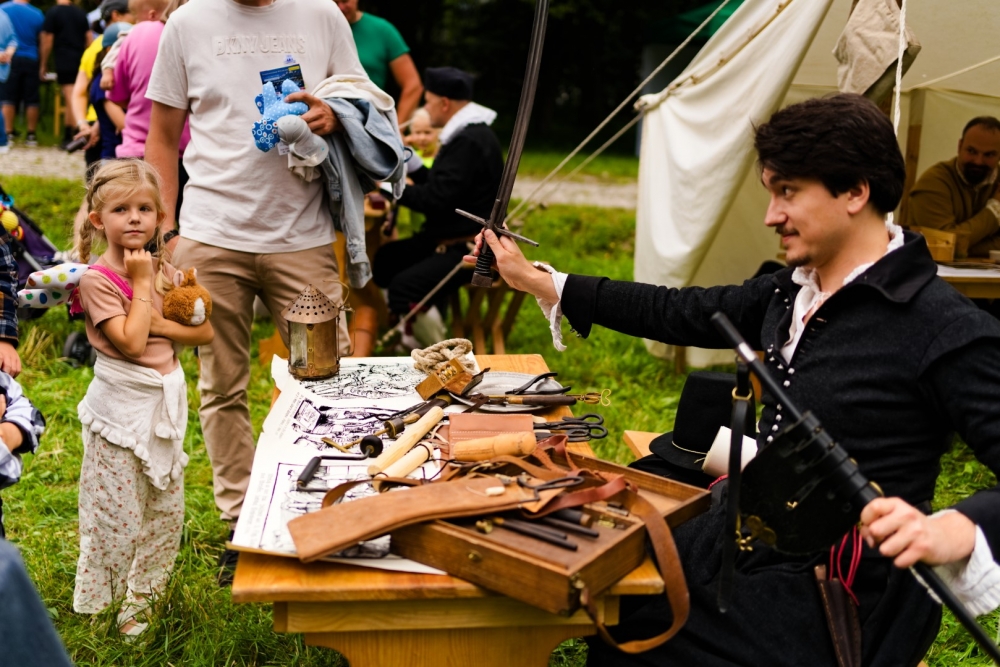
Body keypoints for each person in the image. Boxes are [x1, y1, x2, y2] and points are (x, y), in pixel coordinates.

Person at [470, 94, 1000, 666]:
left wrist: (958, 529)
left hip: (835, 592)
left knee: (643, 638)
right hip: (743, 537)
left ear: (855, 191)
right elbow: (677, 310)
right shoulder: (791, 290)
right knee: (609, 592)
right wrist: (542, 283)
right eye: (771, 192)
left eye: (788, 192)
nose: (772, 215)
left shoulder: (943, 329)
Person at [144, 0, 367, 582]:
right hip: (211, 235)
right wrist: (165, 233)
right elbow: (161, 136)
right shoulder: (188, 22)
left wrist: (333, 116)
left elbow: (367, 106)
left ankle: (325, 513)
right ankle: (244, 526)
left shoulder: (322, 15)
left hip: (304, 236)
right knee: (222, 386)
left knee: (325, 382)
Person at [71, 160, 214, 637]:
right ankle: (101, 607)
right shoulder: (98, 279)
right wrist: (145, 290)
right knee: (116, 518)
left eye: (145, 208)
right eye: (121, 209)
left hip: (164, 407)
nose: (134, 218)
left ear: (159, 216)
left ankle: (142, 603)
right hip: (120, 409)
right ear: (98, 220)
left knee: (164, 514)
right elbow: (131, 344)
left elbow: (205, 330)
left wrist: (154, 307)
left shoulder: (164, 269)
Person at [373, 66, 502, 331]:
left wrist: (384, 187)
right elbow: (447, 186)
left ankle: (440, 352)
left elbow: (436, 199)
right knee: (386, 259)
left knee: (403, 287)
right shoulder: (471, 135)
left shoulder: (468, 141)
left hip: (468, 247)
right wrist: (410, 162)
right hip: (452, 235)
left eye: (428, 102)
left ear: (444, 103)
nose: (426, 108)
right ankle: (401, 328)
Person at [903, 117, 1000, 257]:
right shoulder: (933, 182)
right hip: (929, 274)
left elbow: (955, 245)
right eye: (972, 151)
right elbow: (944, 244)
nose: (978, 161)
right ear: (960, 146)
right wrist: (995, 210)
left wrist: (964, 247)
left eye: (989, 154)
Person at [335, 0, 422, 126]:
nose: (341, 7)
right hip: (325, 120)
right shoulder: (317, 28)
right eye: (335, 2)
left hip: (371, 124)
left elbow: (413, 85)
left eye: (345, 1)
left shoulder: (382, 30)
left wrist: (397, 129)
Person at [39, 0, 90, 147]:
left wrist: (44, 63)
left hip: (64, 59)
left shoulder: (53, 12)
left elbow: (48, 40)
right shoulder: (81, 13)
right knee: (73, 95)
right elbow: (89, 39)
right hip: (80, 59)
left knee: (71, 97)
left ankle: (78, 134)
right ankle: (68, 134)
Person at [0, 0, 43, 146]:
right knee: (32, 98)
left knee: (8, 97)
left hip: (10, 59)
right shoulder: (37, 13)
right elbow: (42, 39)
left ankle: (8, 133)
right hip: (31, 57)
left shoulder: (4, 9)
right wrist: (42, 63)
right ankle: (31, 134)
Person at [0, 7, 15, 154]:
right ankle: (2, 140)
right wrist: (7, 54)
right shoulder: (3, 15)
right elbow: (13, 40)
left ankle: (2, 140)